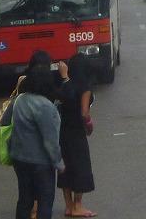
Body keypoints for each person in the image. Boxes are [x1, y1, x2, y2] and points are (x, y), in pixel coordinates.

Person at [9, 62, 65, 219]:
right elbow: (50, 140)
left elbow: (6, 121)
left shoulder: (20, 100)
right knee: (45, 201)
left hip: (20, 158)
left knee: (25, 199)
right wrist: (59, 163)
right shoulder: (45, 106)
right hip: (40, 162)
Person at [57, 55, 97, 217]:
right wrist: (89, 125)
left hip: (62, 131)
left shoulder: (65, 84)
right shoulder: (85, 87)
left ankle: (68, 206)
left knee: (65, 168)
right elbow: (84, 112)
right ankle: (78, 205)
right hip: (76, 132)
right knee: (80, 166)